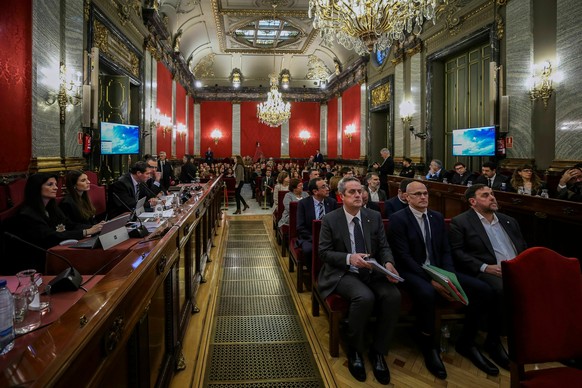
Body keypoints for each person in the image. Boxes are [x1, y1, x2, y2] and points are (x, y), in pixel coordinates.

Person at [389, 181, 500, 378]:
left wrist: (448, 277)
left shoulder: (436, 217)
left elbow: (446, 250)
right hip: (412, 271)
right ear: (407, 197)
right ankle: (428, 344)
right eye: (417, 194)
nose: (423, 197)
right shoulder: (398, 218)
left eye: (425, 193)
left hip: (440, 270)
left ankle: (467, 341)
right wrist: (433, 278)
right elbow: (403, 256)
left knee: (483, 290)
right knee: (427, 292)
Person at [318, 177, 401, 384]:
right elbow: (324, 253)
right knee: (364, 297)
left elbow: (383, 246)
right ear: (341, 196)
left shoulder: (372, 216)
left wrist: (389, 263)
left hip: (372, 269)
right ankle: (355, 349)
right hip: (344, 272)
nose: (358, 195)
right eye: (352, 192)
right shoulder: (331, 219)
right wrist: (349, 258)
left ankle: (378, 351)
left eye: (360, 191)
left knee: (393, 296)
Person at [449, 184, 528, 370]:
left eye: (492, 194)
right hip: (487, 270)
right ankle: (493, 341)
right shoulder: (461, 222)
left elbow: (522, 246)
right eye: (485, 195)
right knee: (500, 289)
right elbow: (458, 253)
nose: (492, 197)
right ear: (473, 202)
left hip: (517, 268)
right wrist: (485, 267)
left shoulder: (508, 220)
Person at [6, 173, 103, 273]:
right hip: (35, 263)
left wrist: (95, 227)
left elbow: (70, 225)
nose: (56, 188)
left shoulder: (52, 208)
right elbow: (50, 236)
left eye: (56, 184)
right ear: (36, 187)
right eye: (50, 184)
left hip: (53, 254)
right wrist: (85, 232)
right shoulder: (27, 214)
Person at [296, 177, 337, 268]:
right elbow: (300, 227)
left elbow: (336, 224)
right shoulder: (303, 204)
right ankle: (313, 275)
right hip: (310, 238)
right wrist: (315, 238)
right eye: (323, 187)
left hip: (329, 238)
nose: (327, 188)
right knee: (309, 250)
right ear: (315, 191)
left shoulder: (332, 202)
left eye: (327, 185)